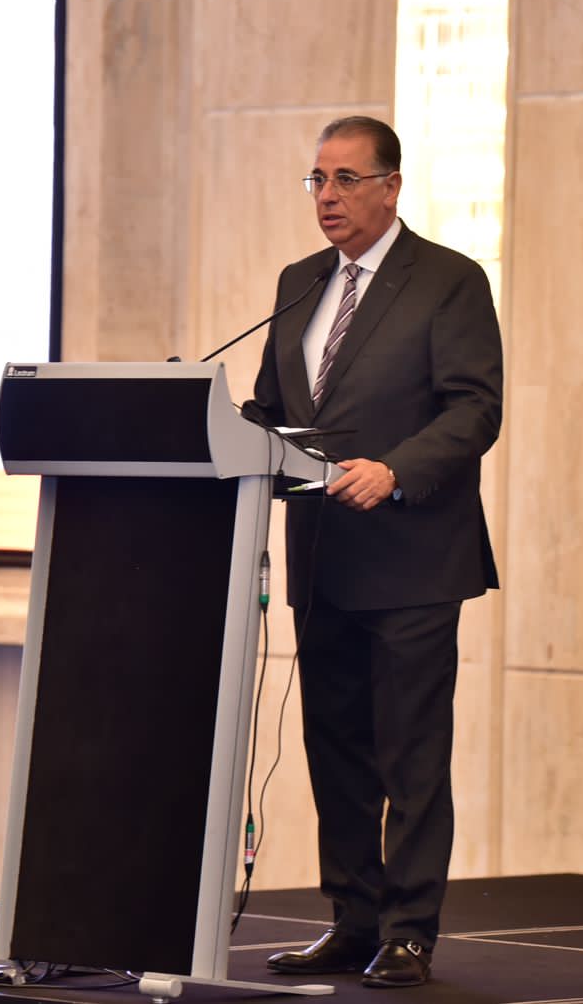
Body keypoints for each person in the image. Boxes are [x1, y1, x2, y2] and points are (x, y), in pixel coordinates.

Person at [241, 116, 503, 988]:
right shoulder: (301, 282)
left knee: (411, 754)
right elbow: (272, 411)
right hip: (323, 556)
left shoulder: (448, 281)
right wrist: (203, 427)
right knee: (337, 749)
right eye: (317, 180)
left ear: (391, 187)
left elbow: (475, 408)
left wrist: (395, 472)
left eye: (346, 179)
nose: (328, 197)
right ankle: (353, 920)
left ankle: (410, 930)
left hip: (413, 557)